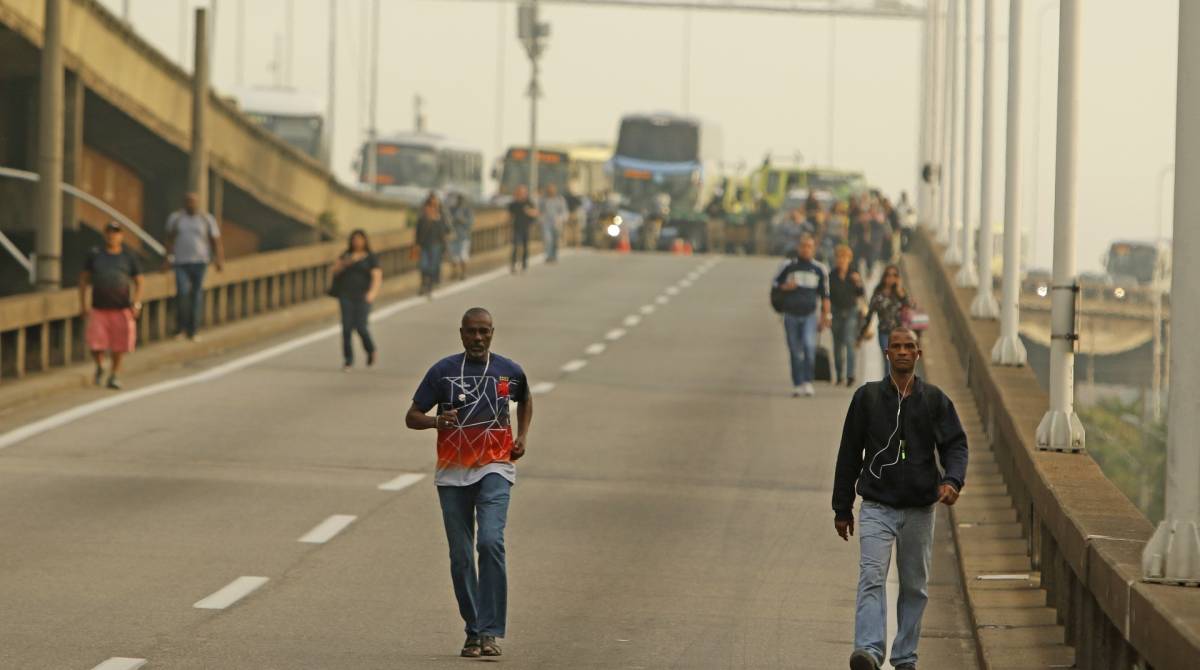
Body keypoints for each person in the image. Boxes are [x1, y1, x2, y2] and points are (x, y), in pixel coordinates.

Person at [832, 327, 968, 670]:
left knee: (914, 587)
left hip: (920, 509)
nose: (903, 351)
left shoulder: (934, 400)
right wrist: (842, 507)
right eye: (897, 346)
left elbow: (956, 445)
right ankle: (868, 650)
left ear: (918, 354)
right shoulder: (867, 399)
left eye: (909, 346)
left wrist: (952, 481)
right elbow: (849, 453)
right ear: (887, 353)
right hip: (877, 506)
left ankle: (905, 656)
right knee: (872, 578)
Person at [405, 308, 534, 659]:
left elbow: (524, 400)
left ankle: (490, 632)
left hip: (496, 467)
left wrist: (521, 436)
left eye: (484, 331)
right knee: (461, 556)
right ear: (461, 333)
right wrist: (436, 422)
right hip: (452, 474)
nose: (478, 338)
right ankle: (473, 631)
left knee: (490, 542)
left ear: (493, 333)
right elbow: (411, 417)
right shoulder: (443, 372)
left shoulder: (508, 371)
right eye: (471, 332)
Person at [79, 221, 144, 390]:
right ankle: (100, 366)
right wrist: (82, 303)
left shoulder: (128, 256)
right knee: (95, 344)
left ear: (121, 236)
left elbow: (139, 281)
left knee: (119, 345)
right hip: (99, 307)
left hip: (121, 307)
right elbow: (84, 279)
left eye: (115, 233)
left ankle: (114, 374)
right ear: (105, 234)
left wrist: (136, 303)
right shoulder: (95, 255)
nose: (112, 236)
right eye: (109, 232)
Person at [773, 234, 831, 397]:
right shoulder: (788, 266)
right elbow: (775, 284)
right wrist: (786, 287)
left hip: (809, 315)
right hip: (790, 315)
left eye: (809, 246)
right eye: (803, 246)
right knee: (794, 349)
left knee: (808, 346)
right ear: (798, 248)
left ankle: (807, 381)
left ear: (813, 249)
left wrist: (825, 316)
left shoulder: (819, 269)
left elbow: (825, 294)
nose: (806, 249)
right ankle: (797, 383)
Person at [165, 192, 224, 341]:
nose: (191, 204)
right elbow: (170, 239)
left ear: (198, 203)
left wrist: (219, 259)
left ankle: (194, 330)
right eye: (188, 201)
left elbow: (215, 240)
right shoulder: (176, 218)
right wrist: (167, 258)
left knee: (196, 296)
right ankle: (180, 328)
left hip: (200, 262)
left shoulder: (206, 219)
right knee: (182, 294)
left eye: (193, 201)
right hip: (181, 262)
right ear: (184, 203)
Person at [330, 229, 382, 370]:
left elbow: (377, 276)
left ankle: (370, 350)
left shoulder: (370, 258)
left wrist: (372, 293)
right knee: (346, 328)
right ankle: (348, 360)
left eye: (360, 239)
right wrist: (346, 262)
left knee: (361, 327)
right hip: (346, 295)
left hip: (362, 296)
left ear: (365, 241)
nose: (357, 242)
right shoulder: (346, 255)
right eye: (354, 239)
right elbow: (334, 270)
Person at [860, 264, 913, 375]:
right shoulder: (878, 293)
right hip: (884, 332)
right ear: (884, 277)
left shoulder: (900, 292)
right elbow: (870, 313)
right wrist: (862, 333)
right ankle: (888, 385)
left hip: (899, 334)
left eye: (894, 275)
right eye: (888, 275)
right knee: (888, 359)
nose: (891, 278)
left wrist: (899, 290)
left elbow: (909, 306)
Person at [829, 245, 865, 387]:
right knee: (837, 345)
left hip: (851, 311)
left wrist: (858, 283)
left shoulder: (854, 274)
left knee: (850, 342)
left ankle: (850, 375)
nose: (842, 260)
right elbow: (826, 296)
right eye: (839, 257)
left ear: (849, 259)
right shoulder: (831, 275)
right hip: (836, 311)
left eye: (845, 258)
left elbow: (861, 294)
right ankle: (839, 375)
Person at [416, 192, 449, 297]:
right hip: (424, 245)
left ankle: (429, 287)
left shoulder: (441, 216)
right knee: (423, 266)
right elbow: (418, 231)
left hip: (436, 245)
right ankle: (423, 284)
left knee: (432, 267)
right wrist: (417, 244)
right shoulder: (423, 217)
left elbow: (445, 230)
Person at [507, 185, 538, 273]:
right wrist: (509, 227)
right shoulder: (513, 204)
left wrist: (528, 211)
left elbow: (536, 213)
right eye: (520, 192)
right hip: (516, 227)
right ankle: (513, 265)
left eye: (523, 192)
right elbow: (509, 216)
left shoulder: (529, 203)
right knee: (516, 246)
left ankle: (524, 264)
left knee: (525, 247)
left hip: (526, 227)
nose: (522, 194)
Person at [447, 193, 475, 281]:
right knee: (453, 256)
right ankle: (454, 273)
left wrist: (461, 219)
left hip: (464, 236)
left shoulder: (467, 210)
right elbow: (448, 221)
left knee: (463, 256)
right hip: (454, 236)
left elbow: (470, 223)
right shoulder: (452, 209)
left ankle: (464, 273)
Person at [539, 183, 568, 263]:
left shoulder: (560, 199)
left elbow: (564, 212)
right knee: (548, 239)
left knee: (555, 240)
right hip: (546, 222)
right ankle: (548, 256)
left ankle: (554, 255)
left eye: (552, 190)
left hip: (557, 223)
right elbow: (539, 211)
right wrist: (540, 219)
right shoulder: (543, 200)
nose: (551, 191)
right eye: (549, 190)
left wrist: (561, 219)